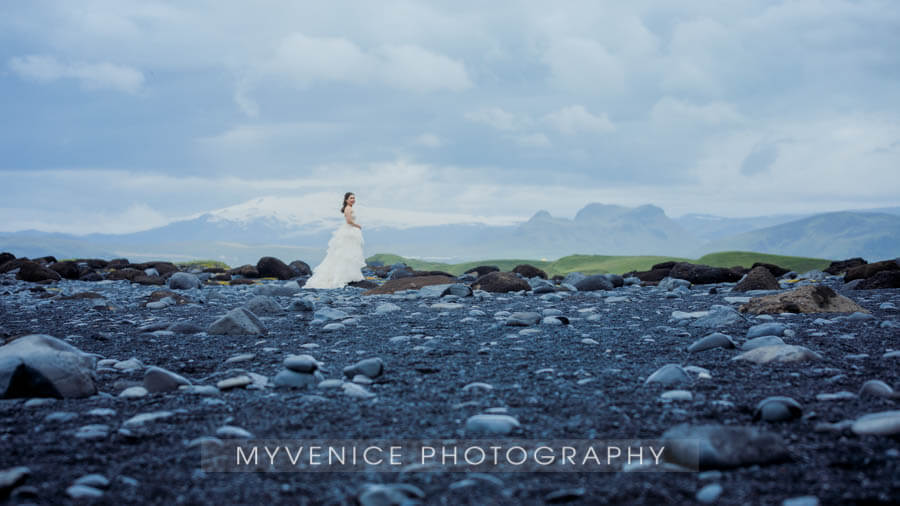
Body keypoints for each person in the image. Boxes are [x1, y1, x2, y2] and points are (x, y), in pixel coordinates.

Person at [303, 192, 366, 289]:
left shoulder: (349, 208)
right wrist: (357, 226)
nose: (353, 200)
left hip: (350, 231)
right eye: (351, 198)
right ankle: (342, 277)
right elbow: (349, 221)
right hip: (349, 232)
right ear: (346, 200)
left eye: (354, 198)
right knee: (346, 253)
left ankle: (349, 275)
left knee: (349, 253)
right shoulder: (348, 208)